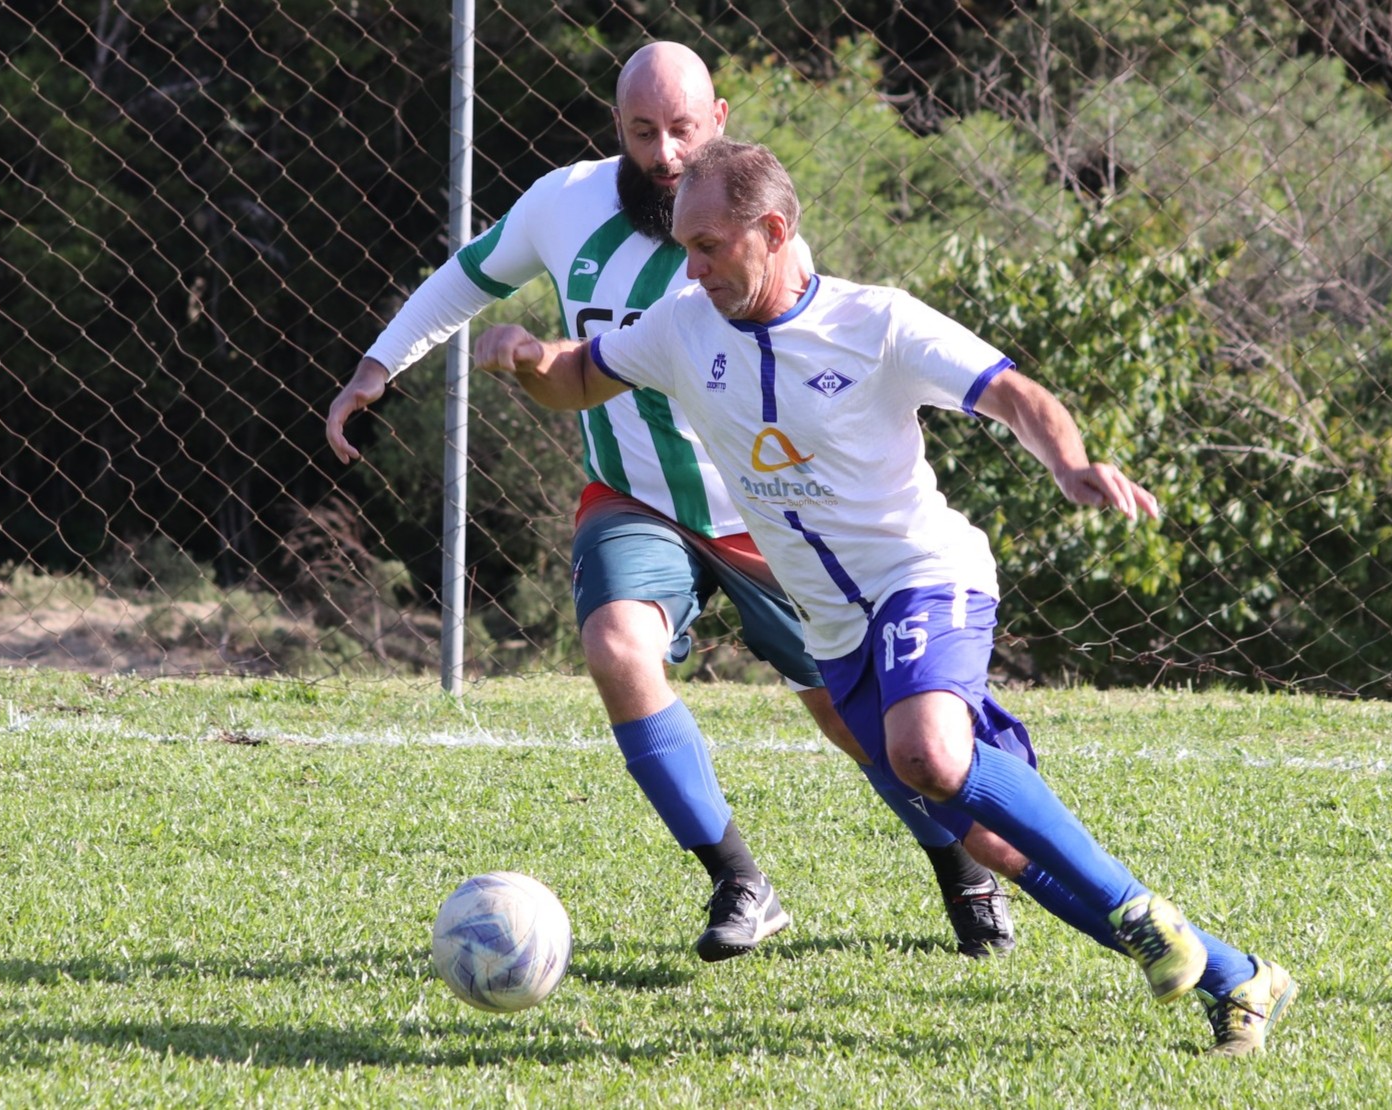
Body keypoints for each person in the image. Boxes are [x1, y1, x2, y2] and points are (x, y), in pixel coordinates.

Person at [469, 137, 1298, 1056]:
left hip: (924, 577)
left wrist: (1070, 463)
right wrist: (523, 355)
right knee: (990, 844)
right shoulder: (679, 327)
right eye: (684, 245)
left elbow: (1012, 392)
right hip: (834, 627)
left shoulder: (879, 324)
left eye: (707, 246)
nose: (690, 266)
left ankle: (1141, 914)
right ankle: (1235, 973)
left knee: (930, 755)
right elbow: (576, 378)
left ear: (772, 230)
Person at [326, 43, 1018, 963]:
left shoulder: (757, 231)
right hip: (633, 498)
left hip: (767, 512)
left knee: (855, 722)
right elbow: (469, 277)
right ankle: (739, 879)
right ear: (617, 127)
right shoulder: (562, 205)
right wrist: (377, 367)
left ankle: (959, 870)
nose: (665, 153)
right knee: (616, 644)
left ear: (719, 120)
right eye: (643, 131)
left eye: (683, 129)